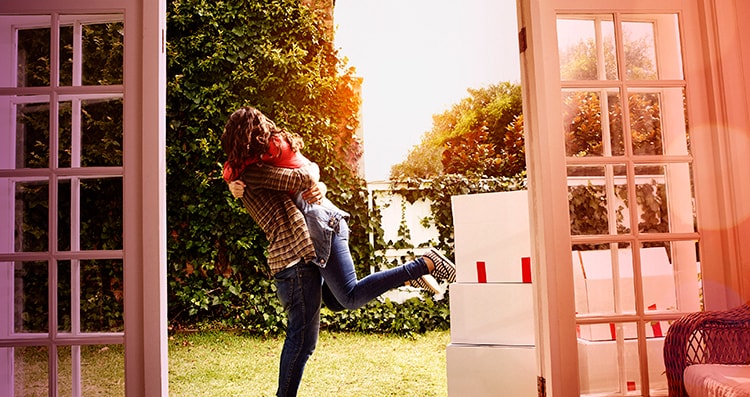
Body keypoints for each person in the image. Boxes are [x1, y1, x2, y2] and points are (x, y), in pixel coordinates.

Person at [221, 106, 455, 397]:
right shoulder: (248, 173)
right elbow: (292, 180)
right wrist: (232, 182)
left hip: (322, 228)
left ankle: (422, 265)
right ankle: (410, 275)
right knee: (339, 302)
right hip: (310, 238)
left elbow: (303, 176)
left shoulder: (257, 169)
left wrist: (317, 180)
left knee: (343, 301)